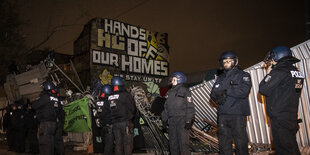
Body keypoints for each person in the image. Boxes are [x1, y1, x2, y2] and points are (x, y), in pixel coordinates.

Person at [259, 46, 304, 155]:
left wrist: (269, 74)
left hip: (280, 118)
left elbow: (263, 89)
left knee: (284, 150)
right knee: (291, 147)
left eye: (271, 58)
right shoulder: (296, 71)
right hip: (291, 116)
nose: (270, 61)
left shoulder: (279, 71)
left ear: (276, 56)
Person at [210, 51, 252, 155]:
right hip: (223, 114)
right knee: (224, 143)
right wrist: (218, 97)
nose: (226, 63)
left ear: (235, 62)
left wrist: (226, 92)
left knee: (240, 142)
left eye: (229, 61)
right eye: (224, 62)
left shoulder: (243, 75)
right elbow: (213, 94)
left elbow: (244, 91)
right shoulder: (220, 77)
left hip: (237, 114)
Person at [161, 72, 195, 155]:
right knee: (173, 144)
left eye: (174, 79)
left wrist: (188, 121)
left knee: (183, 144)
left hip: (182, 120)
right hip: (172, 121)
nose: (172, 81)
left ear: (180, 80)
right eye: (172, 79)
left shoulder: (185, 91)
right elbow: (166, 107)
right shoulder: (169, 92)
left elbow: (190, 107)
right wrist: (164, 120)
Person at [104, 76, 136, 155]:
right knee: (127, 144)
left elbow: (106, 111)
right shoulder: (125, 95)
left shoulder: (109, 97)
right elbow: (132, 108)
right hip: (125, 123)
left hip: (115, 124)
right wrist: (130, 118)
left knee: (118, 144)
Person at [32, 81, 58, 155]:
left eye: (43, 87)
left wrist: (38, 98)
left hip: (45, 123)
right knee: (51, 142)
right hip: (53, 123)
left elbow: (34, 105)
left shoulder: (45, 96)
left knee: (44, 143)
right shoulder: (55, 97)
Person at [53, 87, 65, 155]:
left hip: (58, 121)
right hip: (60, 121)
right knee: (58, 139)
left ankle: (59, 152)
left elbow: (57, 111)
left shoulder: (57, 101)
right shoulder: (60, 100)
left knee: (57, 139)